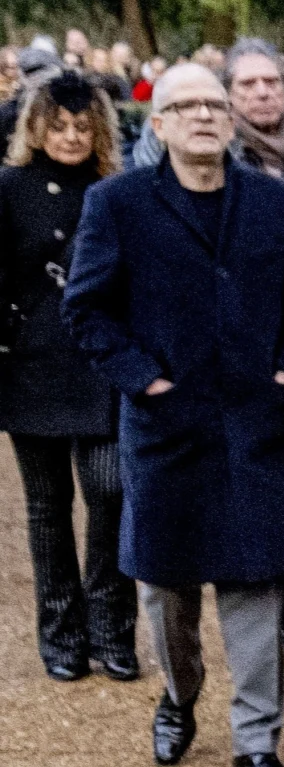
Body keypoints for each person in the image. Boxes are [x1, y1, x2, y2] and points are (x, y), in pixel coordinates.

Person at [61, 61, 284, 767]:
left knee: (255, 585)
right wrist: (145, 377)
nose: (205, 115)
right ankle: (180, 695)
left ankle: (256, 743)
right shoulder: (118, 205)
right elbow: (85, 309)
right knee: (167, 591)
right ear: (162, 123)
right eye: (188, 105)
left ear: (232, 119)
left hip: (254, 425)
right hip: (166, 427)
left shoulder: (274, 204)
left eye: (215, 103)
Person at [176, 38, 284, 670]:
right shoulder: (211, 165)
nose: (261, 94)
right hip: (235, 347)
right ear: (229, 96)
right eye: (247, 85)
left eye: (271, 83)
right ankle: (234, 611)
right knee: (232, 479)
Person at [3, 71, 135, 681]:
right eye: (59, 125)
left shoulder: (120, 188)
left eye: (84, 126)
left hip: (102, 364)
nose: (72, 136)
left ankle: (112, 628)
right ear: (36, 126)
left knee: (109, 493)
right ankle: (61, 634)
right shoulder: (9, 187)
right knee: (48, 506)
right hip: (30, 362)